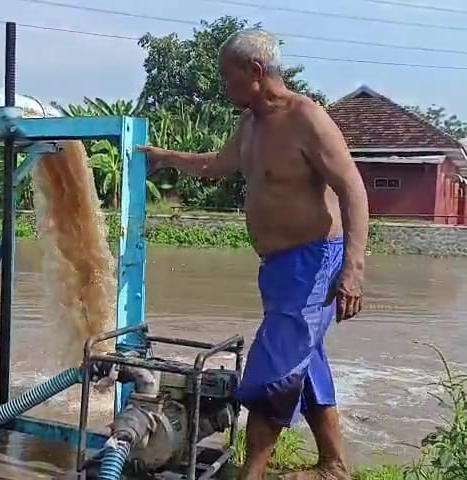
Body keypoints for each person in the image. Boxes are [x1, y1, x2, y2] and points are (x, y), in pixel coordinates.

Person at [138, 28, 369, 480]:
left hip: (315, 262)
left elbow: (354, 191)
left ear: (256, 72)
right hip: (279, 268)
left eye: (228, 78)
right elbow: (215, 165)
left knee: (272, 371)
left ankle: (253, 473)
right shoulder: (250, 124)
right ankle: (334, 465)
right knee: (305, 361)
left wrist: (353, 269)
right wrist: (164, 156)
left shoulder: (308, 119)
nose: (225, 87)